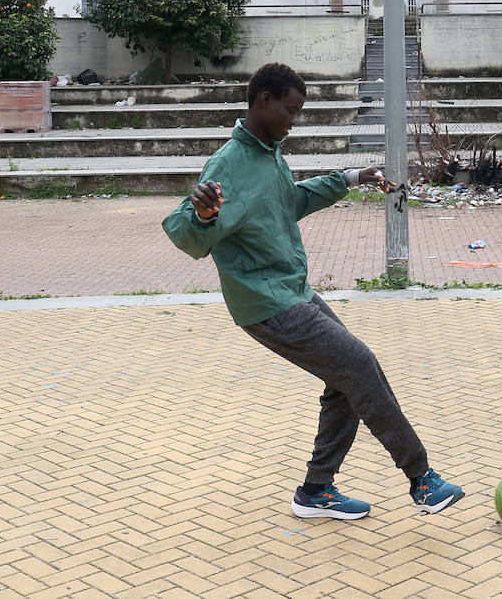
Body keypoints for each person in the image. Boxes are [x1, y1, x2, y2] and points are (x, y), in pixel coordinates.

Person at [163, 63, 465, 520]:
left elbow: (290, 203)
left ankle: (316, 491)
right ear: (264, 100)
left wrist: (347, 179)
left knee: (345, 382)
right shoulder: (229, 164)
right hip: (266, 302)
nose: (294, 120)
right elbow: (190, 234)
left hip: (292, 290)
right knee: (359, 364)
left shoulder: (270, 153)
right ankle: (422, 479)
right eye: (291, 109)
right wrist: (202, 216)